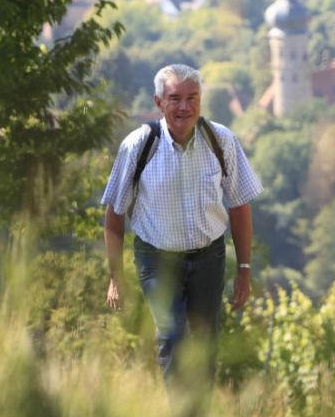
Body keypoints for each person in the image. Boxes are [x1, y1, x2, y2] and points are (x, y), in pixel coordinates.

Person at [101, 64, 263, 381]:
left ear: (201, 101)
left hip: (209, 257)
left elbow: (240, 206)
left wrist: (244, 270)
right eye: (175, 98)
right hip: (157, 258)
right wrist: (115, 276)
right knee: (173, 339)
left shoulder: (222, 141)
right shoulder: (138, 146)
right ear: (159, 102)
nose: (185, 107)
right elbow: (114, 214)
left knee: (205, 346)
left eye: (192, 97)